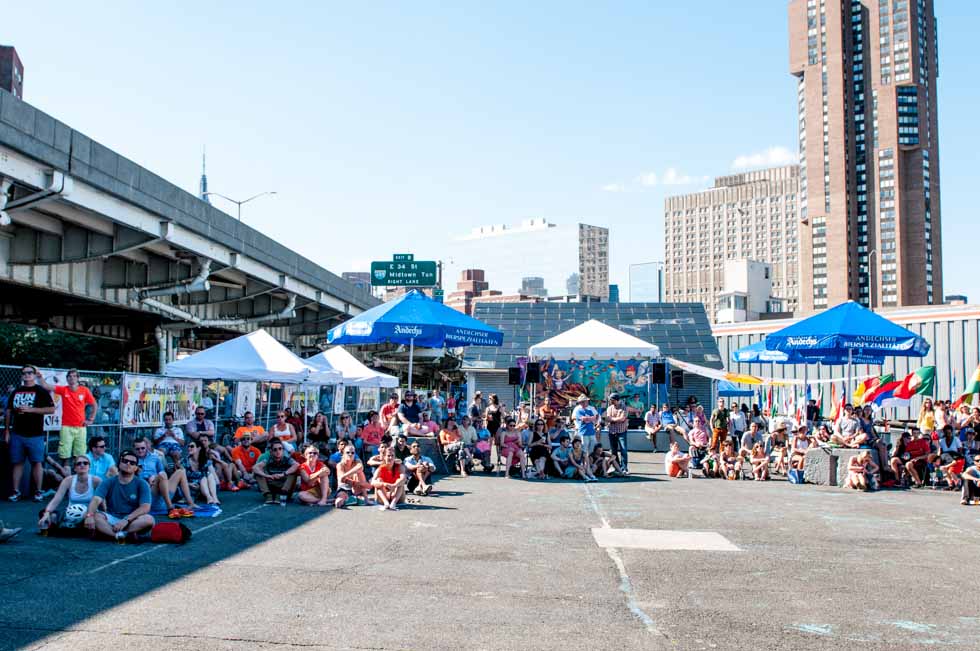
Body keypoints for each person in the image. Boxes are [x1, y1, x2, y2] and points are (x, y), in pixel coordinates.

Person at [5, 365, 56, 502]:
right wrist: (7, 431)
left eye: (29, 372)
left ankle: (38, 492)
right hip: (17, 433)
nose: (27, 375)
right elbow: (9, 411)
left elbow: (51, 409)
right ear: (21, 376)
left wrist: (31, 410)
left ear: (34, 375)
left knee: (37, 463)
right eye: (24, 373)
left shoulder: (41, 391)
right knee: (17, 463)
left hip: (35, 434)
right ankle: (16, 491)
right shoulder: (16, 391)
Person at [84, 448, 155, 541]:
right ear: (119, 463)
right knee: (96, 516)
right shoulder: (108, 482)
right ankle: (121, 536)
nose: (128, 464)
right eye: (125, 461)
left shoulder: (142, 484)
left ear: (136, 468)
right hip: (112, 517)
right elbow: (96, 500)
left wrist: (126, 520)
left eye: (132, 463)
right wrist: (89, 516)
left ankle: (109, 533)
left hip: (132, 519)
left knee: (149, 519)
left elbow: (145, 507)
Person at [37, 369, 96, 474]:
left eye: (74, 376)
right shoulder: (63, 389)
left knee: (80, 454)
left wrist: (91, 419)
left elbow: (94, 404)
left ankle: (78, 474)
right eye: (69, 376)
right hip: (66, 426)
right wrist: (39, 376)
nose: (72, 378)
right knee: (64, 454)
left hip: (81, 427)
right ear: (67, 378)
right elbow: (46, 386)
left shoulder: (85, 390)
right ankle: (65, 475)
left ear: (78, 378)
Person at [38, 455, 102, 532]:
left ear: (89, 467)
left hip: (89, 513)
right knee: (45, 514)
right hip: (71, 513)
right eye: (79, 463)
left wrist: (92, 515)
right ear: (74, 468)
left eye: (85, 463)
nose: (82, 465)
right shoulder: (68, 480)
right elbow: (56, 499)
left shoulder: (96, 481)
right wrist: (47, 512)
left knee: (98, 519)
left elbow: (102, 502)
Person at [134, 437, 196, 516]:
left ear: (146, 447)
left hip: (160, 489)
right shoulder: (132, 460)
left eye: (142, 448)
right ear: (134, 449)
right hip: (147, 492)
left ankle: (191, 503)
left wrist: (154, 477)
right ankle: (170, 508)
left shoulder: (155, 457)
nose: (140, 450)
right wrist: (143, 478)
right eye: (138, 449)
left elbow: (163, 471)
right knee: (160, 475)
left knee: (180, 472)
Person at [253, 438, 299, 505]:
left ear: (283, 450)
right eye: (275, 449)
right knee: (258, 472)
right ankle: (268, 495)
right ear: (271, 451)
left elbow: (297, 465)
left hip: (283, 485)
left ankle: (281, 494)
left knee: (294, 472)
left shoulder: (287, 458)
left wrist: (283, 474)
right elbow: (255, 468)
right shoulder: (268, 459)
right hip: (272, 483)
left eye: (280, 449)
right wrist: (267, 476)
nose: (278, 451)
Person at [184, 439, 219, 506]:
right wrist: (189, 484)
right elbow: (181, 481)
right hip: (193, 488)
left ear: (199, 448)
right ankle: (209, 497)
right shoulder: (184, 462)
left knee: (208, 476)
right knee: (203, 478)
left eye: (191, 446)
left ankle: (214, 498)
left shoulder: (206, 461)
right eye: (188, 446)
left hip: (209, 487)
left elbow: (216, 481)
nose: (189, 448)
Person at [605, 393, 630, 475]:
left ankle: (624, 468)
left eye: (612, 400)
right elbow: (607, 418)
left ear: (617, 400)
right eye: (610, 400)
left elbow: (622, 419)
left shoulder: (624, 407)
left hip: (621, 431)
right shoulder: (609, 408)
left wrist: (612, 419)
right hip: (612, 431)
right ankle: (617, 467)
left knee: (623, 450)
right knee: (614, 451)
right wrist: (616, 419)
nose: (611, 401)